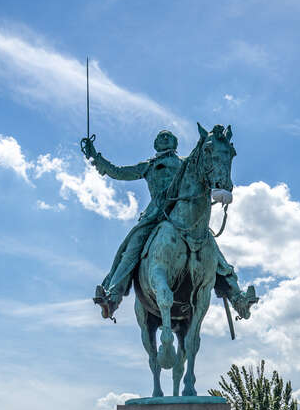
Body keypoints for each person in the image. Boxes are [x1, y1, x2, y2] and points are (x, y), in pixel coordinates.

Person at [82, 130, 252, 320]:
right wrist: (95, 157)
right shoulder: (148, 166)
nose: (165, 138)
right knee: (131, 249)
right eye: (161, 137)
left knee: (213, 249)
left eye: (168, 136)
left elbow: (207, 172)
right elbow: (119, 172)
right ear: (155, 144)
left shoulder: (185, 163)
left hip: (184, 215)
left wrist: (222, 189)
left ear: (175, 143)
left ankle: (238, 298)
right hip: (156, 214)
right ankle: (112, 297)